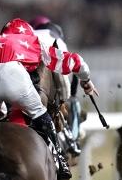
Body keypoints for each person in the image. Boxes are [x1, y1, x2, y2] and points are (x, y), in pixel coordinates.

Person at [0, 18, 99, 180]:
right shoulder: (33, 42)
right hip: (12, 77)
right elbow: (73, 61)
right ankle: (60, 161)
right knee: (41, 114)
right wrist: (86, 80)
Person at [33, 18, 84, 155]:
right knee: (70, 102)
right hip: (49, 85)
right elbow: (70, 76)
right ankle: (71, 138)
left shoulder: (27, 36)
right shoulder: (58, 40)